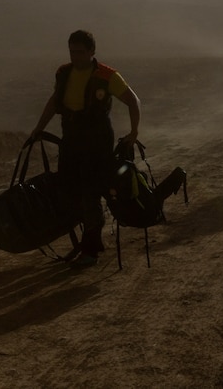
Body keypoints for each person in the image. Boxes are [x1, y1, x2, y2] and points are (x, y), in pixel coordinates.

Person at [31, 29, 140, 268]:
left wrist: (134, 133)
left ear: (92, 52)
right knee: (70, 192)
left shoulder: (107, 75)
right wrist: (39, 128)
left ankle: (90, 249)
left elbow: (133, 101)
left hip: (97, 143)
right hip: (70, 140)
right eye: (72, 52)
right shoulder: (63, 73)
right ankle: (92, 240)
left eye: (80, 52)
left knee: (90, 194)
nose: (75, 57)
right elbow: (54, 101)